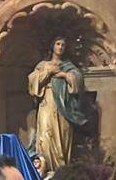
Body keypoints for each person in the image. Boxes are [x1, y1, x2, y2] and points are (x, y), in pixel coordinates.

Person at [27, 36, 87, 172]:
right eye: (57, 44)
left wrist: (64, 75)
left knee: (64, 135)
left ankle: (62, 170)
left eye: (63, 45)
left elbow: (78, 80)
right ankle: (46, 169)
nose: (60, 47)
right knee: (46, 136)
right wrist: (48, 72)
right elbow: (32, 82)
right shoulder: (43, 65)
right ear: (52, 46)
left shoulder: (68, 66)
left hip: (64, 105)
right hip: (47, 102)